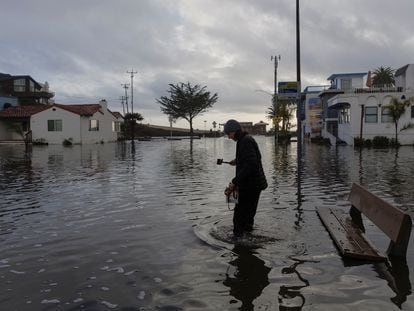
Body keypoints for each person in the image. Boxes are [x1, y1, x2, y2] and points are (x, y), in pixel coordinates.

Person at [223, 119, 267, 238]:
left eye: (229, 134)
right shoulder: (245, 140)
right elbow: (254, 158)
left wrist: (234, 181)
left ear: (234, 131)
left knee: (239, 215)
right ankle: (248, 240)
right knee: (248, 215)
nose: (229, 137)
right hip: (255, 184)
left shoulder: (245, 141)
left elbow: (252, 165)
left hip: (250, 185)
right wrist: (237, 161)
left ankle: (238, 241)